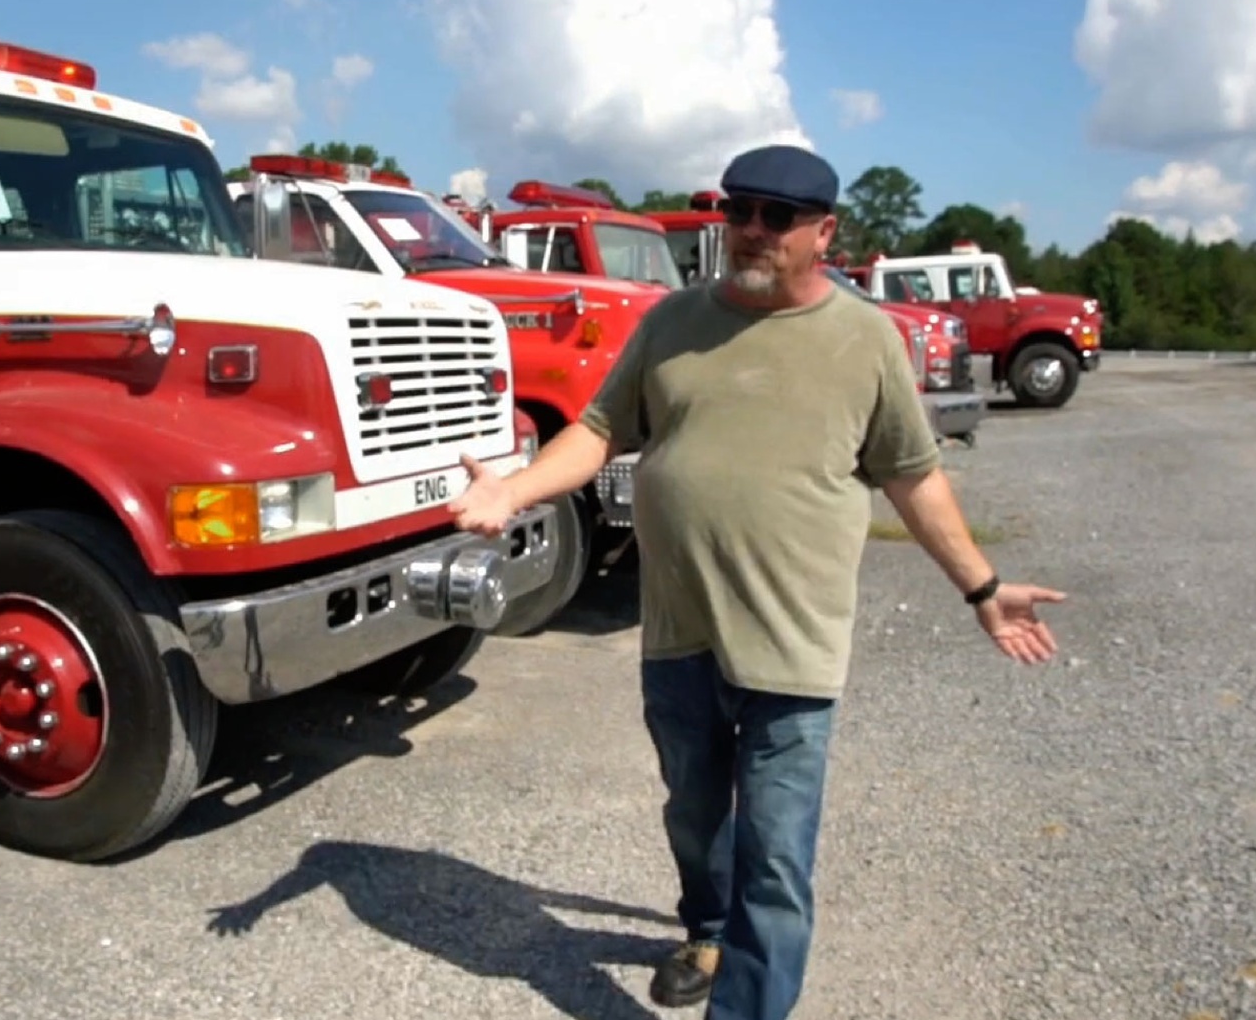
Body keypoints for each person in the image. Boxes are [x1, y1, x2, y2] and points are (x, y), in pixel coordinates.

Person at [447, 143, 1066, 1020]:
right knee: (695, 817)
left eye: (777, 216)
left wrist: (983, 589)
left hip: (793, 647)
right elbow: (599, 429)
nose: (752, 230)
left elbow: (913, 476)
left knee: (774, 860)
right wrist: (512, 489)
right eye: (739, 211)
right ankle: (706, 929)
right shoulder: (672, 320)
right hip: (680, 634)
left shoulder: (866, 340)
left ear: (824, 233)